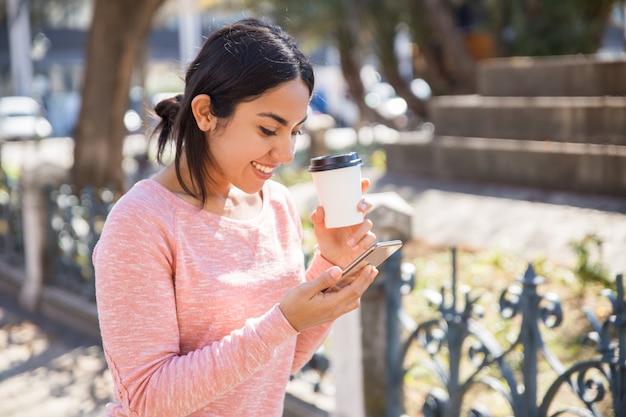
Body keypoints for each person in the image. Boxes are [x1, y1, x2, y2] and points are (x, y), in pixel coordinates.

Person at [94, 17, 378, 417]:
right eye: (268, 129)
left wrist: (331, 265)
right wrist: (281, 321)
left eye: (295, 131)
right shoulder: (141, 223)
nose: (285, 153)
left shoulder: (275, 205)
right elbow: (147, 399)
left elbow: (274, 365)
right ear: (206, 112)